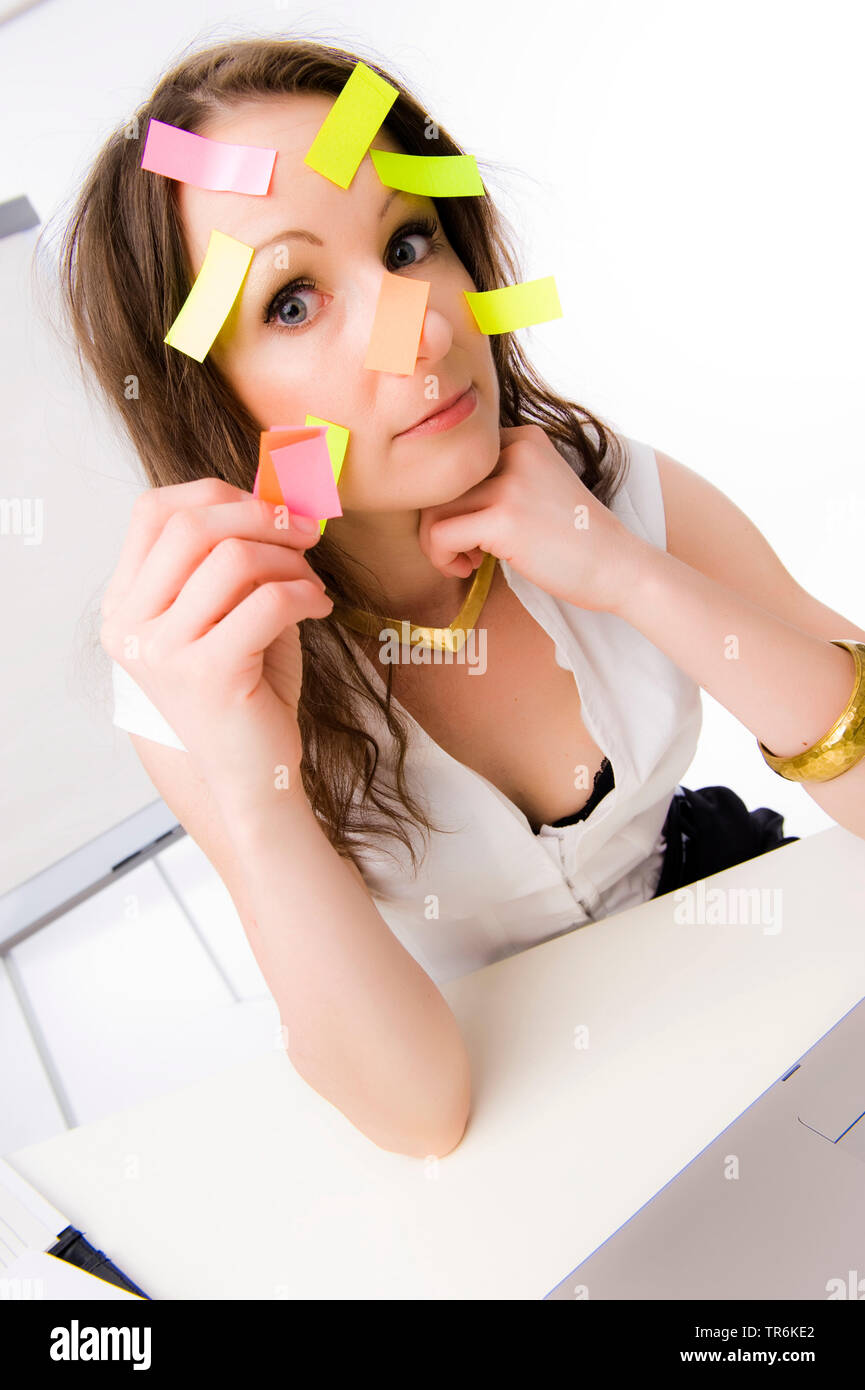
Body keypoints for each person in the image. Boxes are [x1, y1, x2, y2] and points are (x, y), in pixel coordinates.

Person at [55, 38, 860, 1160]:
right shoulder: (196, 682)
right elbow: (420, 1114)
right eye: (291, 301)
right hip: (500, 1076)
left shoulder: (608, 487)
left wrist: (630, 574)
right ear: (207, 399)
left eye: (409, 240)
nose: (423, 327)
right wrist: (256, 792)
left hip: (726, 939)